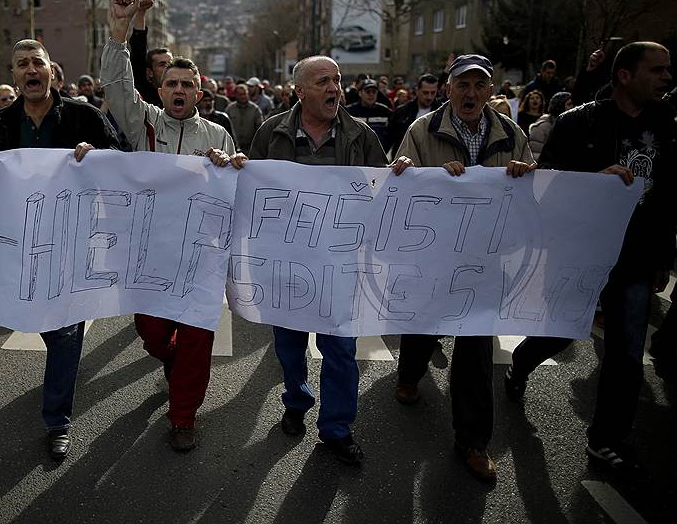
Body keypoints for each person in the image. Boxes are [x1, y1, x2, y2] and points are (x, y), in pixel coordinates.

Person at [505, 42, 675, 472]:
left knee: (627, 352)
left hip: (634, 257)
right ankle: (520, 364)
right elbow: (548, 186)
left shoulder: (666, 125)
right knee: (561, 333)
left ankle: (605, 438)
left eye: (667, 70)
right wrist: (594, 182)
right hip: (579, 252)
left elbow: (668, 197)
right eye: (657, 70)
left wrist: (663, 256)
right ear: (624, 75)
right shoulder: (579, 122)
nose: (666, 78)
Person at [102, 0, 242, 453]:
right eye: (171, 84)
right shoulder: (143, 123)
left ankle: (183, 417)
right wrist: (120, 29)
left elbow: (235, 190)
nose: (179, 90)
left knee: (198, 340)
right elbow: (116, 84)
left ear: (199, 92)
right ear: (160, 91)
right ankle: (172, 359)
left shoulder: (218, 133)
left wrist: (230, 165)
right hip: (151, 255)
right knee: (153, 334)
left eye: (187, 84)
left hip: (200, 259)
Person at [0, 38, 120, 461]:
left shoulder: (84, 116)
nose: (30, 70)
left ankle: (57, 420)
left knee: (64, 330)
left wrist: (98, 155)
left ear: (51, 71)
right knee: (41, 321)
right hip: (19, 246)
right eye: (22, 64)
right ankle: (60, 386)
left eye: (37, 62)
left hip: (71, 244)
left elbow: (122, 162)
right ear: (14, 76)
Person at [393, 54, 536, 482]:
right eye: (462, 85)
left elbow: (529, 193)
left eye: (479, 86)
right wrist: (425, 175)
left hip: (485, 259)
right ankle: (410, 374)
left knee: (475, 348)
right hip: (435, 254)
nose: (470, 94)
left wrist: (524, 173)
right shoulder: (422, 131)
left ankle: (473, 441)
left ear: (490, 91)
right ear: (448, 89)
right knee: (424, 324)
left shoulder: (511, 134)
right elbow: (401, 183)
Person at [249, 55, 390, 465]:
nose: (334, 89)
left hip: (339, 267)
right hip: (287, 265)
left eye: (337, 80)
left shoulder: (360, 135)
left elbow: (381, 191)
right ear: (299, 91)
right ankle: (296, 401)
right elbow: (251, 190)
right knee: (289, 347)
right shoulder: (271, 132)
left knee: (341, 350)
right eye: (323, 81)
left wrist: (397, 175)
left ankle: (337, 429)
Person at [127, 0, 168, 108]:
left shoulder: (181, 94)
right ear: (150, 72)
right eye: (162, 64)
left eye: (170, 64)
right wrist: (141, 12)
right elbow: (138, 48)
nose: (168, 68)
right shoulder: (145, 92)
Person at [387, 74, 439, 155]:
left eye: (433, 93)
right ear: (417, 91)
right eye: (425, 93)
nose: (429, 97)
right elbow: (389, 139)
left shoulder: (443, 113)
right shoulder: (401, 112)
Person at [345, 78, 393, 150]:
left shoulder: (385, 112)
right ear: (360, 93)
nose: (371, 94)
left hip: (378, 153)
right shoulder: (349, 111)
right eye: (368, 91)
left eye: (374, 92)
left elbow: (391, 135)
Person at [527, 91, 573, 159]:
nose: (572, 107)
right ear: (559, 106)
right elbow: (535, 154)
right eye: (569, 104)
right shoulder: (541, 127)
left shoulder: (573, 124)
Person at [226, 84, 263, 152]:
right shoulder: (230, 109)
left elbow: (260, 129)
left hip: (250, 148)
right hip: (233, 148)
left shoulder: (255, 109)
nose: (243, 96)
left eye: (244, 94)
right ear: (236, 95)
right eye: (240, 94)